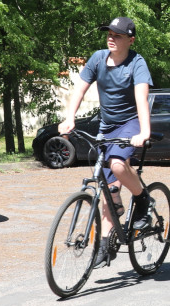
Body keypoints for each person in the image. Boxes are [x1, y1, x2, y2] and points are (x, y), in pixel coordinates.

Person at [59, 16, 153, 269]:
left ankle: (143, 199)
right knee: (107, 190)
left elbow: (141, 98)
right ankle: (105, 245)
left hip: (130, 123)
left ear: (130, 40)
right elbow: (79, 89)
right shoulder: (98, 58)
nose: (111, 37)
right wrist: (70, 119)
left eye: (118, 35)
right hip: (106, 126)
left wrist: (144, 131)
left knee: (118, 164)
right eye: (109, 33)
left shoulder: (137, 63)